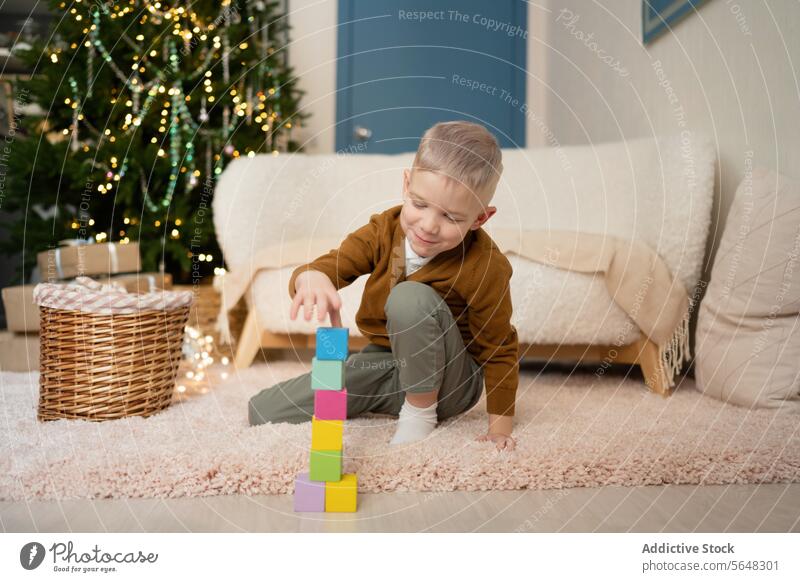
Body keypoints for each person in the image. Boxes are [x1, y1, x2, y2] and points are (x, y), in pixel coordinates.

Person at [248, 120, 518, 451]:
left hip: (452, 382)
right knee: (265, 409)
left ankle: (420, 412)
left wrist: (500, 427)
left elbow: (500, 348)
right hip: (388, 364)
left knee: (409, 298)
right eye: (420, 204)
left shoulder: (486, 266)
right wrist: (311, 277)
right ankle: (390, 399)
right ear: (407, 185)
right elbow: (334, 264)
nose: (428, 226)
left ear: (479, 219)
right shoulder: (383, 230)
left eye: (451, 217)